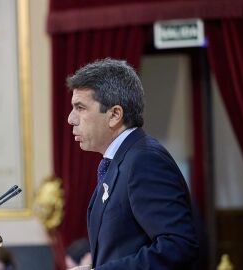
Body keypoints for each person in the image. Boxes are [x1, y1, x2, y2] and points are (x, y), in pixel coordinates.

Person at [66, 58, 199, 269]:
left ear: (114, 115)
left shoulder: (145, 161)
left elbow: (179, 246)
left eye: (80, 108)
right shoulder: (122, 159)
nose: (71, 119)